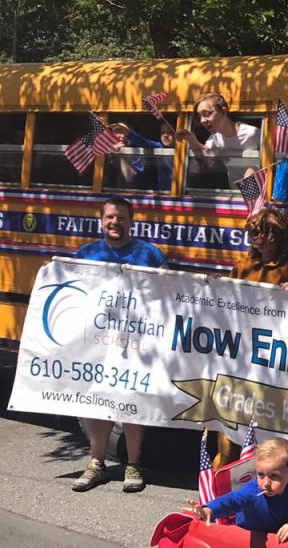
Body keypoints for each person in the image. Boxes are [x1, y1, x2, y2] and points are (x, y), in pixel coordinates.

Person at [71, 196, 166, 493]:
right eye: (110, 217)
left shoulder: (149, 254)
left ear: (131, 221)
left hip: (137, 341)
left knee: (132, 399)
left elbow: (167, 295)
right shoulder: (86, 253)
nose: (115, 222)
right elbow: (73, 294)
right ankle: (97, 463)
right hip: (96, 342)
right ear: (101, 221)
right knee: (96, 399)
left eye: (121, 218)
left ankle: (133, 464)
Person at [215, 206, 288, 468]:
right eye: (253, 232)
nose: (258, 237)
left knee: (267, 435)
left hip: (274, 364)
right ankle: (219, 487)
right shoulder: (242, 266)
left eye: (264, 232)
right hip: (240, 359)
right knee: (227, 432)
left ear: (278, 236)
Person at [184, 437, 288, 542]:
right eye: (261, 475)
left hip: (276, 539)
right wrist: (209, 510)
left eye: (274, 476)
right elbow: (232, 500)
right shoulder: (252, 492)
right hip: (246, 538)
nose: (266, 483)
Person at [176, 93, 261, 186]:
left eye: (206, 114)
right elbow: (204, 154)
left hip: (259, 194)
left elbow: (270, 161)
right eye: (199, 116)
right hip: (234, 194)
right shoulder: (215, 137)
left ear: (224, 112)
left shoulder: (252, 133)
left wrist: (251, 172)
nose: (202, 120)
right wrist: (191, 139)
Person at [109, 122, 175, 191]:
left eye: (170, 132)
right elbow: (144, 142)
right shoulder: (158, 146)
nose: (165, 135)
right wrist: (128, 133)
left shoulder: (184, 148)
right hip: (162, 193)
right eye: (162, 133)